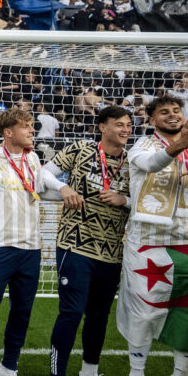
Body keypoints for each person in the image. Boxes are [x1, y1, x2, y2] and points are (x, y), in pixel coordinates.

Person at [0, 108, 82, 376]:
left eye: (31, 126)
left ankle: (9, 365)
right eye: (25, 126)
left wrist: (63, 187)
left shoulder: (33, 158)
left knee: (22, 311)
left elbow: (43, 180)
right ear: (8, 132)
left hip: (30, 249)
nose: (31, 131)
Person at [44, 105, 133, 376]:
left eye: (129, 125)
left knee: (99, 316)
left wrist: (124, 200)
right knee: (71, 312)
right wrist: (63, 188)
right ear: (102, 127)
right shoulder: (80, 149)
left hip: (112, 252)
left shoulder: (134, 161)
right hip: (75, 245)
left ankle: (89, 372)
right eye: (119, 124)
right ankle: (57, 373)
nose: (126, 129)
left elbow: (145, 202)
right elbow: (42, 174)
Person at [117, 94, 188, 376]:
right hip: (149, 242)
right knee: (144, 311)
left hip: (186, 241)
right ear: (152, 119)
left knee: (185, 311)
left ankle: (180, 371)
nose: (172, 115)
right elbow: (151, 165)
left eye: (176, 110)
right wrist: (180, 145)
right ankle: (137, 371)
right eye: (164, 112)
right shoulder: (142, 146)